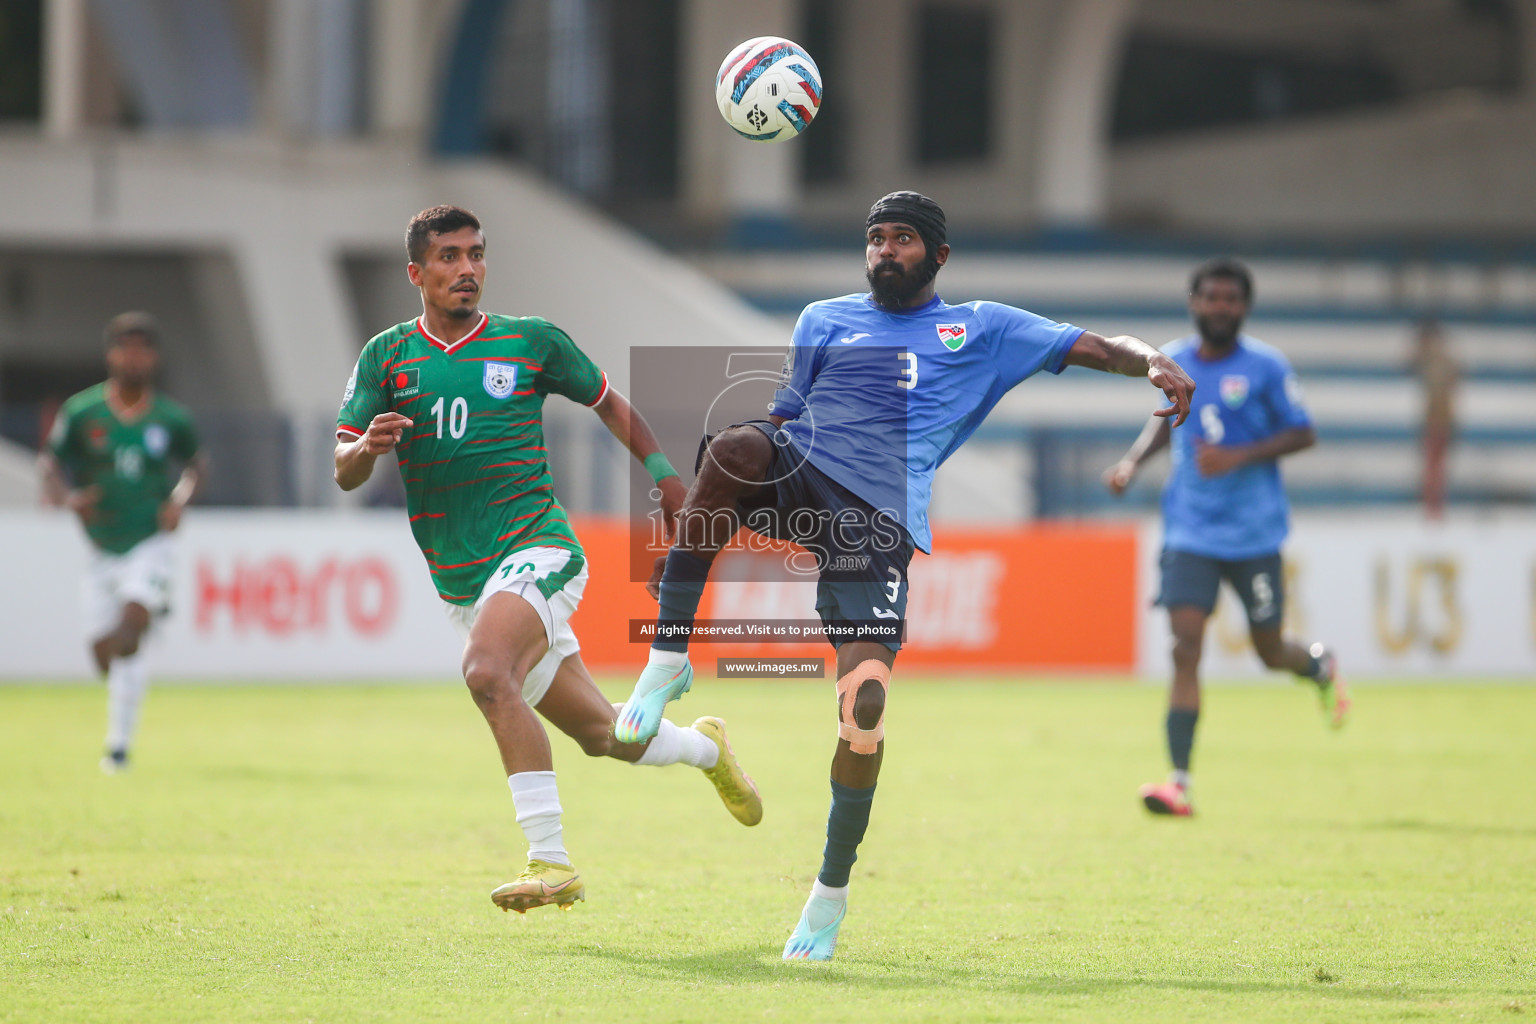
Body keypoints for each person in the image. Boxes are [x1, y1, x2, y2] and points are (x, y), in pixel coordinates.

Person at [611, 191, 1196, 960]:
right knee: (732, 449)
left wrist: (1150, 357)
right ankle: (665, 664)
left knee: (865, 708)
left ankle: (828, 896)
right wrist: (710, 517)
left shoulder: (984, 328)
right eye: (876, 238)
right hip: (801, 470)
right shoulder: (823, 319)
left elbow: (1095, 346)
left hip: (877, 521)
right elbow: (787, 415)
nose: (885, 250)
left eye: (903, 240)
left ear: (939, 255)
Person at [333, 205, 761, 915]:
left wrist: (668, 480)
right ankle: (707, 750)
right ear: (416, 273)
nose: (466, 268)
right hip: (462, 578)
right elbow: (343, 470)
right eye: (448, 257)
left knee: (484, 671)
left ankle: (551, 862)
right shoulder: (386, 357)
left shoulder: (528, 342)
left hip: (539, 548)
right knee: (607, 735)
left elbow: (609, 402)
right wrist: (363, 450)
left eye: (475, 253)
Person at [1102, 257, 1350, 819]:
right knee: (1184, 647)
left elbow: (1303, 432)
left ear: (1244, 306)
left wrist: (1241, 454)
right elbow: (1166, 420)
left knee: (1268, 650)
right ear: (1194, 302)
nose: (1220, 307)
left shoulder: (1265, 366)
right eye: (1211, 297)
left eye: (1230, 299)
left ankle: (1316, 665)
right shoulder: (1175, 358)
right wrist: (1131, 463)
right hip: (1189, 529)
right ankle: (1180, 783)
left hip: (1254, 533)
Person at [39, 312, 204, 774]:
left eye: (142, 348)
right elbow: (49, 464)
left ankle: (117, 746)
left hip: (149, 539)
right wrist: (66, 498)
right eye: (125, 347)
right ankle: (151, 611)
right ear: (111, 354)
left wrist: (179, 501)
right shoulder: (82, 412)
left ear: (153, 357)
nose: (134, 356)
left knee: (131, 626)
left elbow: (196, 466)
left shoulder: (171, 417)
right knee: (105, 653)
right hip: (101, 546)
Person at [1412, 318, 1457, 519]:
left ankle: (1434, 506)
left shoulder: (1443, 363)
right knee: (1432, 467)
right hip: (1435, 419)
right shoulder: (1434, 362)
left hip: (1440, 419)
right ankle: (1431, 506)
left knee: (1436, 467)